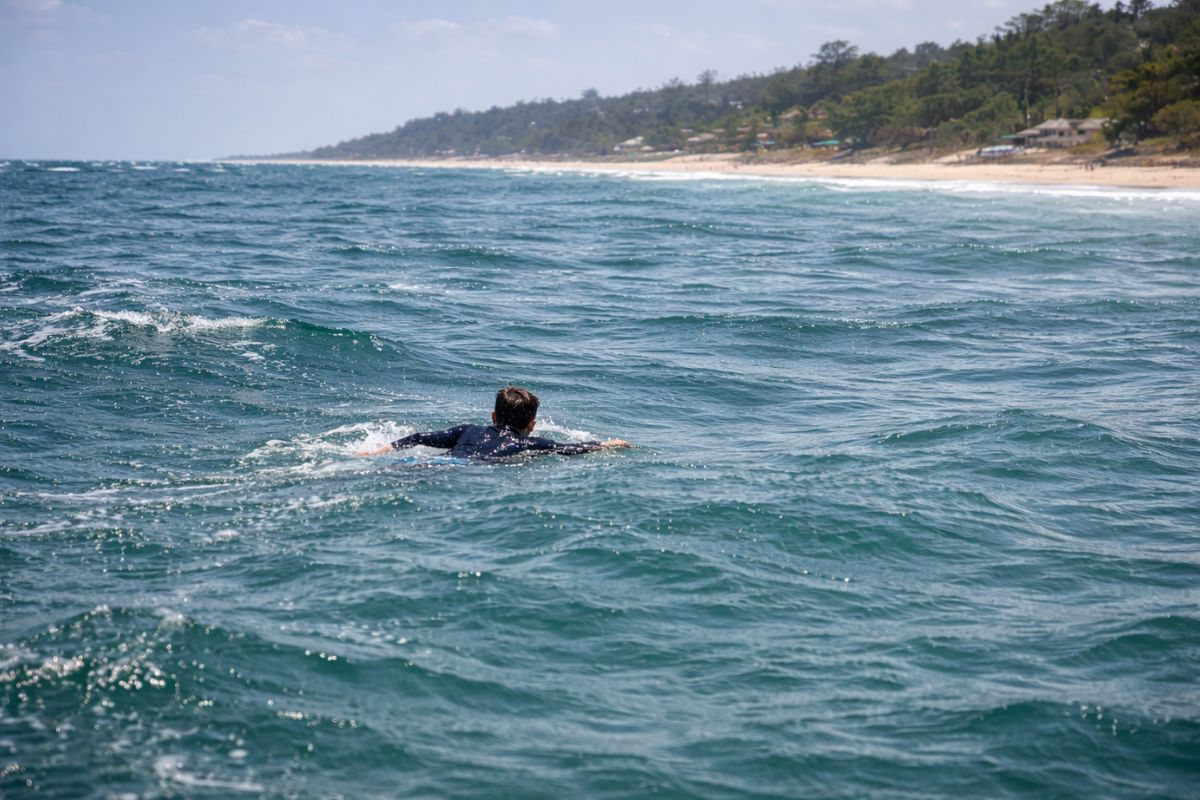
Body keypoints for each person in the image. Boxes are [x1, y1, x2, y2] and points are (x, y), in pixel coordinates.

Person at [357, 386, 630, 461]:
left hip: (439, 462)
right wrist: (607, 445)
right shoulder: (528, 443)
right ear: (532, 424)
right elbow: (570, 448)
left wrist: (378, 451)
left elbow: (418, 437)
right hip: (464, 472)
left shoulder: (466, 430)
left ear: (493, 417)